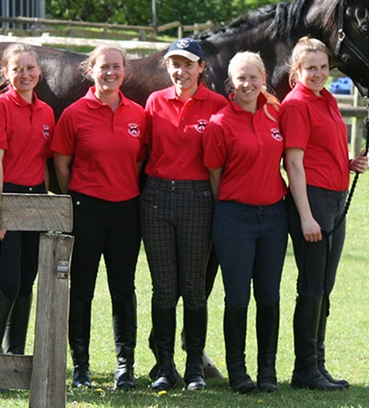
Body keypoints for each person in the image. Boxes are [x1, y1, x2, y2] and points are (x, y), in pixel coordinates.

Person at [52, 45, 146, 390]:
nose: (111, 72)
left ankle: (126, 365)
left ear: (125, 71)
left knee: (124, 290)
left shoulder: (138, 114)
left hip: (126, 211)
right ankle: (81, 366)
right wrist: (75, 196)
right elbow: (61, 163)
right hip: (86, 209)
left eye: (117, 67)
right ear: (91, 70)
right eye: (103, 66)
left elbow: (138, 161)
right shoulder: (75, 113)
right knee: (82, 290)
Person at [280, 36, 368, 391]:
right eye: (310, 68)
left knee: (324, 286)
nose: (318, 73)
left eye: (322, 67)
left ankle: (318, 364)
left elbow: (321, 150)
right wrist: (305, 216)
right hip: (312, 201)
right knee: (312, 287)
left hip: (334, 197)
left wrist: (347, 163)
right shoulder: (297, 104)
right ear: (296, 70)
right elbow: (294, 164)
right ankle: (305, 369)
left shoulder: (326, 98)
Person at [141, 38, 227, 392]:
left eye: (188, 64)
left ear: (201, 68)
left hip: (198, 198)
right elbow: (142, 151)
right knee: (163, 290)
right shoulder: (155, 102)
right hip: (158, 197)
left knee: (193, 289)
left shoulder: (218, 105)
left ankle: (194, 366)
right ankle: (164, 366)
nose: (181, 71)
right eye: (175, 64)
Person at [203, 51, 288, 394]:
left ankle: (267, 370)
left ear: (264, 78)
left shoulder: (277, 114)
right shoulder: (220, 123)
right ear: (231, 83)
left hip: (273, 217)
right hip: (234, 218)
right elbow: (215, 175)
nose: (248, 84)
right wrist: (237, 200)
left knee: (268, 296)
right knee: (237, 297)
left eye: (254, 77)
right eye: (241, 78)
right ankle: (238, 371)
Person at [0, 43, 55, 353]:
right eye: (17, 69)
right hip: (8, 195)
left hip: (36, 198)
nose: (24, 74)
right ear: (6, 73)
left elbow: (44, 162)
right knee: (8, 282)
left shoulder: (47, 111)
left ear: (39, 72)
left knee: (27, 281)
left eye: (30, 68)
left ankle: (16, 354)